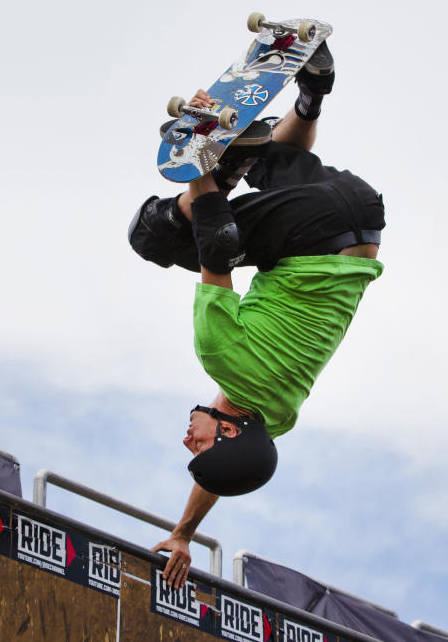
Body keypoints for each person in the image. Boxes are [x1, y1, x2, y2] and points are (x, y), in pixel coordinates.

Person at [127, 43, 386, 589]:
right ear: (227, 429)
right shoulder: (223, 356)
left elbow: (226, 467)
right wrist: (198, 160)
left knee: (266, 158)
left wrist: (184, 532)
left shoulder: (278, 413)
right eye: (198, 443)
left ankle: (308, 96)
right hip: (310, 233)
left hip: (360, 218)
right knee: (154, 236)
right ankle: (220, 160)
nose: (186, 440)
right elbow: (217, 250)